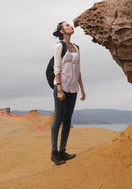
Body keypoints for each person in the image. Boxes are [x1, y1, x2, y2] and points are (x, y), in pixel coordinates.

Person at [50, 21, 87, 165]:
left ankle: (63, 151)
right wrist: (59, 88)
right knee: (58, 119)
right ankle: (54, 153)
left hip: (73, 89)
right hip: (62, 87)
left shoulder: (76, 47)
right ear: (62, 31)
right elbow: (56, 68)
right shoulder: (59, 46)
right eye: (67, 26)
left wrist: (82, 89)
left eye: (70, 25)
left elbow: (78, 70)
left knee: (67, 121)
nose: (71, 27)